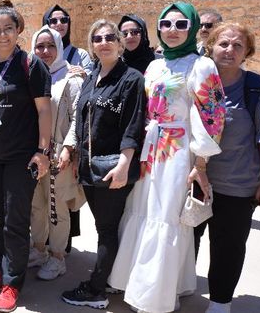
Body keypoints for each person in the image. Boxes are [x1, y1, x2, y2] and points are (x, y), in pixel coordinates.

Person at [109, 2, 226, 313]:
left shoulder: (202, 66)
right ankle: (136, 282)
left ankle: (156, 295)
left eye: (181, 24)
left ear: (192, 28)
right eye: (166, 24)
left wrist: (200, 164)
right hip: (150, 150)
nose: (172, 31)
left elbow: (213, 117)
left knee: (166, 216)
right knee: (142, 209)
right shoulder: (155, 66)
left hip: (178, 151)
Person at [0, 5, 52, 312]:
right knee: (2, 220)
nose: (2, 35)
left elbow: (44, 110)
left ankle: (12, 283)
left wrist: (43, 152)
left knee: (16, 221)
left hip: (21, 156)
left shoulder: (30, 65)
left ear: (18, 31)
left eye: (8, 28)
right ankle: (5, 270)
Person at [60, 20, 145, 310]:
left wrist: (124, 164)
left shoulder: (131, 79)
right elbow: (81, 120)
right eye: (97, 38)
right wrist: (74, 155)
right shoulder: (92, 76)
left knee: (108, 228)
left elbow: (133, 126)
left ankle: (97, 290)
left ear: (120, 43)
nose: (104, 42)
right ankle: (113, 278)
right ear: (92, 45)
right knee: (104, 226)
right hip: (88, 166)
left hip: (112, 168)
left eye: (110, 37)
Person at [194, 23, 260, 313]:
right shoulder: (197, 81)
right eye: (223, 44)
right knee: (186, 241)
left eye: (237, 45)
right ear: (211, 47)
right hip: (195, 182)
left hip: (237, 185)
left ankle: (220, 302)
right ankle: (182, 289)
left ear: (247, 52)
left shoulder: (255, 87)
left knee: (227, 246)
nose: (229, 50)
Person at [27, 26, 84, 281]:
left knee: (56, 207)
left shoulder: (71, 79)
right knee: (37, 205)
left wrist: (69, 149)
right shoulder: (30, 75)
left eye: (51, 45)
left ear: (59, 47)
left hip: (58, 154)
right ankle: (39, 249)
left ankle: (58, 257)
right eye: (40, 46)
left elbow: (77, 118)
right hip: (34, 152)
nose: (45, 51)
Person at [42, 5, 93, 76]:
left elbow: (91, 80)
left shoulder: (81, 55)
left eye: (64, 20)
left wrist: (84, 75)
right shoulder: (39, 55)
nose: (59, 24)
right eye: (53, 21)